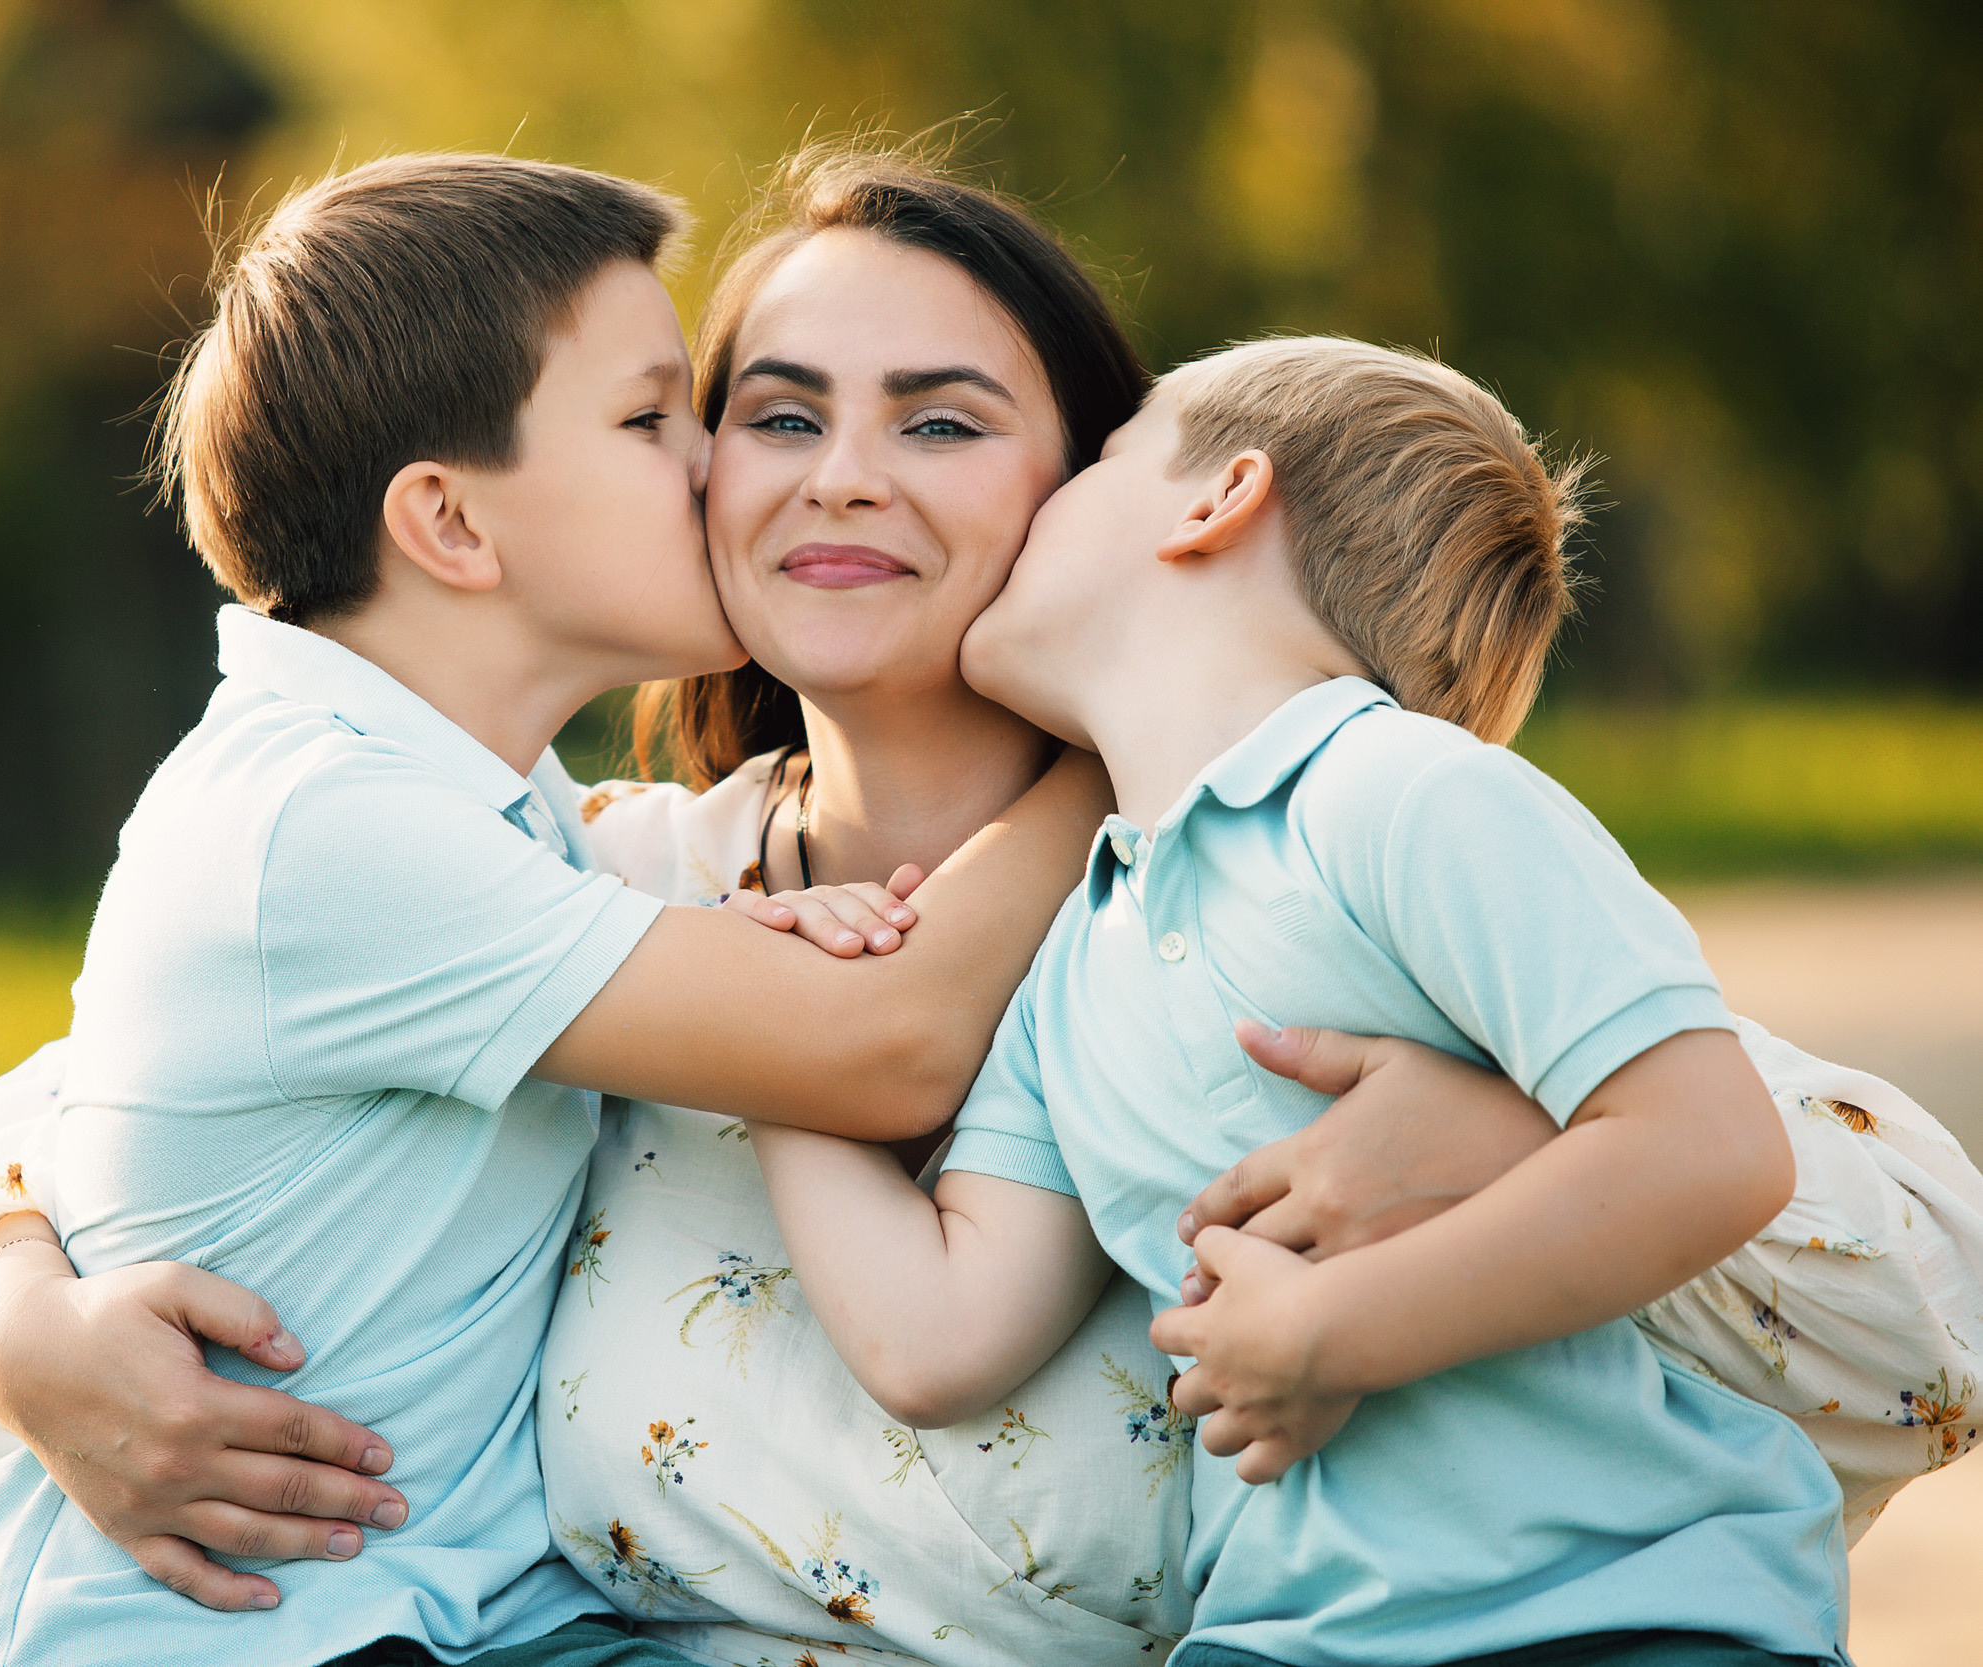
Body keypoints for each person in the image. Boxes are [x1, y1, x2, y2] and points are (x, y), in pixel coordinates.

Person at [0, 146, 1983, 1667]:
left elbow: (1919, 1327)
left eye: (940, 419)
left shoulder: (1289, 890)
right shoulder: (589, 875)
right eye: (759, 414)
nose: (832, 473)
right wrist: (29, 1329)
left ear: (1105, 495)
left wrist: (1499, 1148)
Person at [0, 149, 1119, 1667]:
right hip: (269, 1633)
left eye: (937, 420)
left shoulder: (522, 818)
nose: (730, 469)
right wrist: (1131, 747)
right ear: (455, 528)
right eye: (672, 417)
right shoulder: (346, 827)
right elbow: (878, 1042)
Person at [745, 336, 1864, 1667]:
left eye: (1101, 465)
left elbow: (1714, 1148)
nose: (1043, 508)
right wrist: (768, 1001)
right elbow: (934, 1334)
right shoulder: (1073, 959)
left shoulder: (1401, 797)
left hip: (1618, 1603)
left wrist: (1334, 1332)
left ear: (1217, 501)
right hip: (1288, 1635)